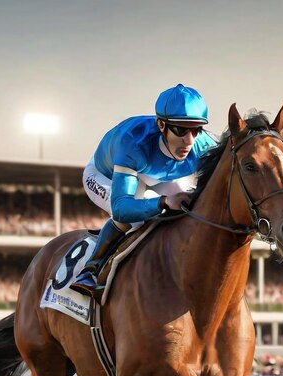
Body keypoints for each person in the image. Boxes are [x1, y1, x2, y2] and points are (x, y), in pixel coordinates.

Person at [71, 84, 217, 298]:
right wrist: (164, 202)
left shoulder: (203, 145)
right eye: (180, 130)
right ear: (161, 124)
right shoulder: (134, 143)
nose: (189, 140)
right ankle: (91, 269)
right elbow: (122, 209)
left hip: (155, 176)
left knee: (189, 204)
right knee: (136, 219)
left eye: (196, 129)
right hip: (107, 175)